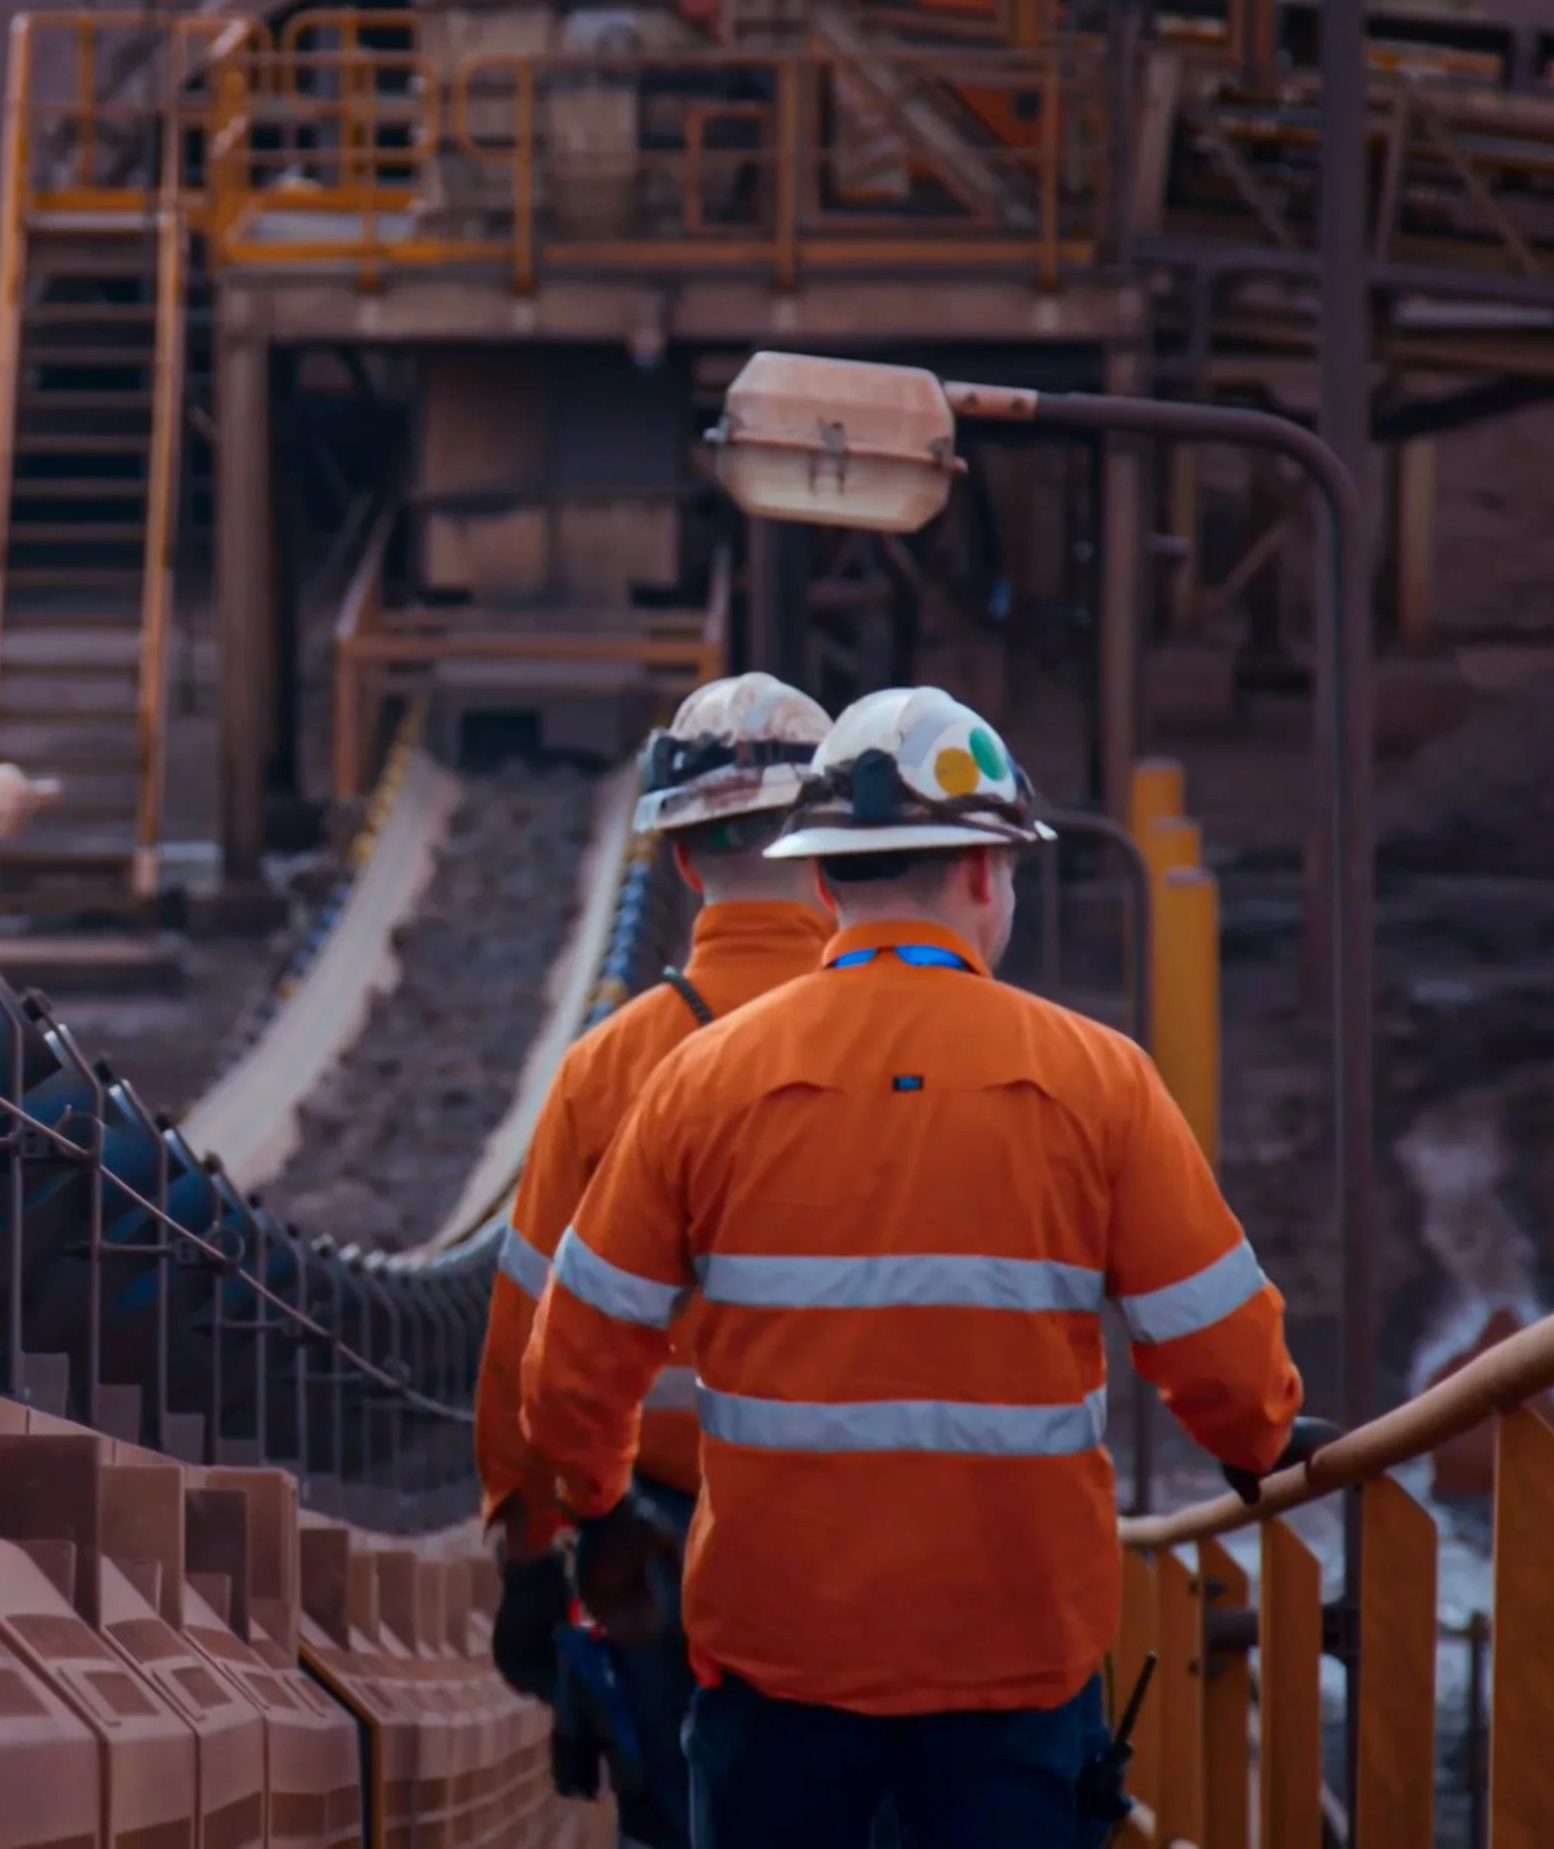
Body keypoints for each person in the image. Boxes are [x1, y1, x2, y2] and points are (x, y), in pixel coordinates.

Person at [518, 686, 1326, 1849]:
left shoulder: (702, 1080)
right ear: (988, 874)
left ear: (825, 881)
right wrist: (1263, 1439)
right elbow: (1218, 1345)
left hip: (775, 1661)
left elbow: (575, 1362)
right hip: (1011, 1665)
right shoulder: (1098, 1080)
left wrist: (596, 1510)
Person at [482, 674, 836, 1849]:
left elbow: (531, 1337)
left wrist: (535, 1545)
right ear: (835, 847)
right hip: (911, 1544)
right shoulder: (955, 1047)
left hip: (667, 1552)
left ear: (681, 864)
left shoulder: (610, 1069)